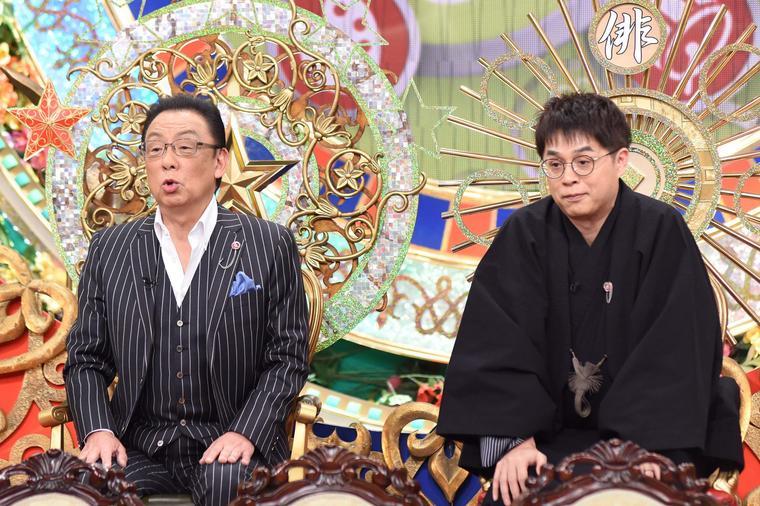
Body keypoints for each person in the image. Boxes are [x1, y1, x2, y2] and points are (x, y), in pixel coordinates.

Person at [437, 93, 743, 505]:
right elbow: (496, 343)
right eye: (555, 164)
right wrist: (514, 441)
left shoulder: (661, 231)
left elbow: (676, 350)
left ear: (620, 161)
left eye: (583, 162)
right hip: (544, 443)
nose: (568, 178)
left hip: (649, 440)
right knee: (510, 494)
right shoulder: (524, 235)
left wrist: (649, 446)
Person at [64, 95, 309, 505]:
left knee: (229, 486)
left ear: (219, 162)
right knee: (92, 486)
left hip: (229, 440)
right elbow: (86, 357)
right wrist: (98, 430)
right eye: (155, 149)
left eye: (185, 147)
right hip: (137, 444)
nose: (168, 161)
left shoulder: (268, 244)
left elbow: (287, 357)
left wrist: (246, 431)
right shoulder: (111, 248)